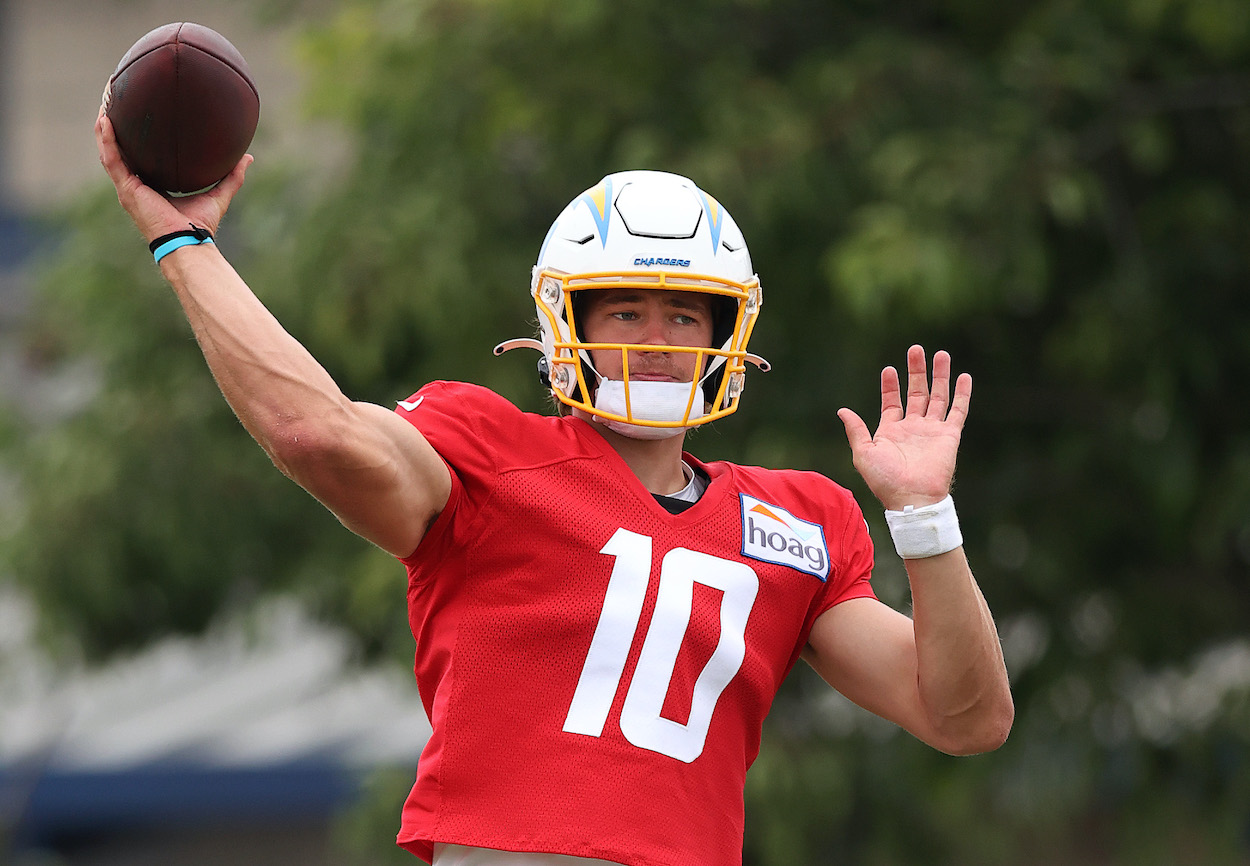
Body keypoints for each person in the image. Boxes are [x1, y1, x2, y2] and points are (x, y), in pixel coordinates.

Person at [96, 107, 1012, 866]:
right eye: (623, 309)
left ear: (723, 334)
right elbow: (316, 433)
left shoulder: (798, 518)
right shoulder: (486, 448)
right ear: (562, 320)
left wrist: (926, 519)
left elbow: (964, 716)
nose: (654, 338)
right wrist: (185, 244)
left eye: (684, 313)